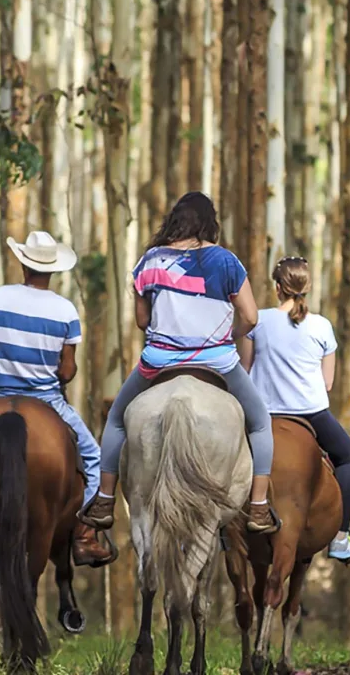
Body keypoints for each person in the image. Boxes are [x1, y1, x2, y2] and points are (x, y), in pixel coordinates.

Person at [76, 192, 280, 534]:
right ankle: (258, 507)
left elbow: (142, 321)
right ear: (210, 223)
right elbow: (251, 316)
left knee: (116, 419)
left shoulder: (151, 260)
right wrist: (230, 334)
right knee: (260, 422)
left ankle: (105, 498)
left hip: (159, 360)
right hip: (217, 360)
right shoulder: (226, 261)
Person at [0, 231, 114, 567]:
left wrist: (0, 372)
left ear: (23, 264)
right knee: (94, 458)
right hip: (48, 400)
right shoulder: (65, 310)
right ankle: (84, 535)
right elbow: (67, 369)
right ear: (53, 270)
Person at [237, 256, 350, 562]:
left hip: (263, 414)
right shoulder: (322, 326)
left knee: (219, 456)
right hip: (311, 413)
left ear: (277, 287)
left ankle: (218, 531)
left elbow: (245, 369)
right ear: (306, 288)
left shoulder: (258, 321)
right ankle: (340, 537)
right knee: (348, 458)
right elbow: (327, 383)